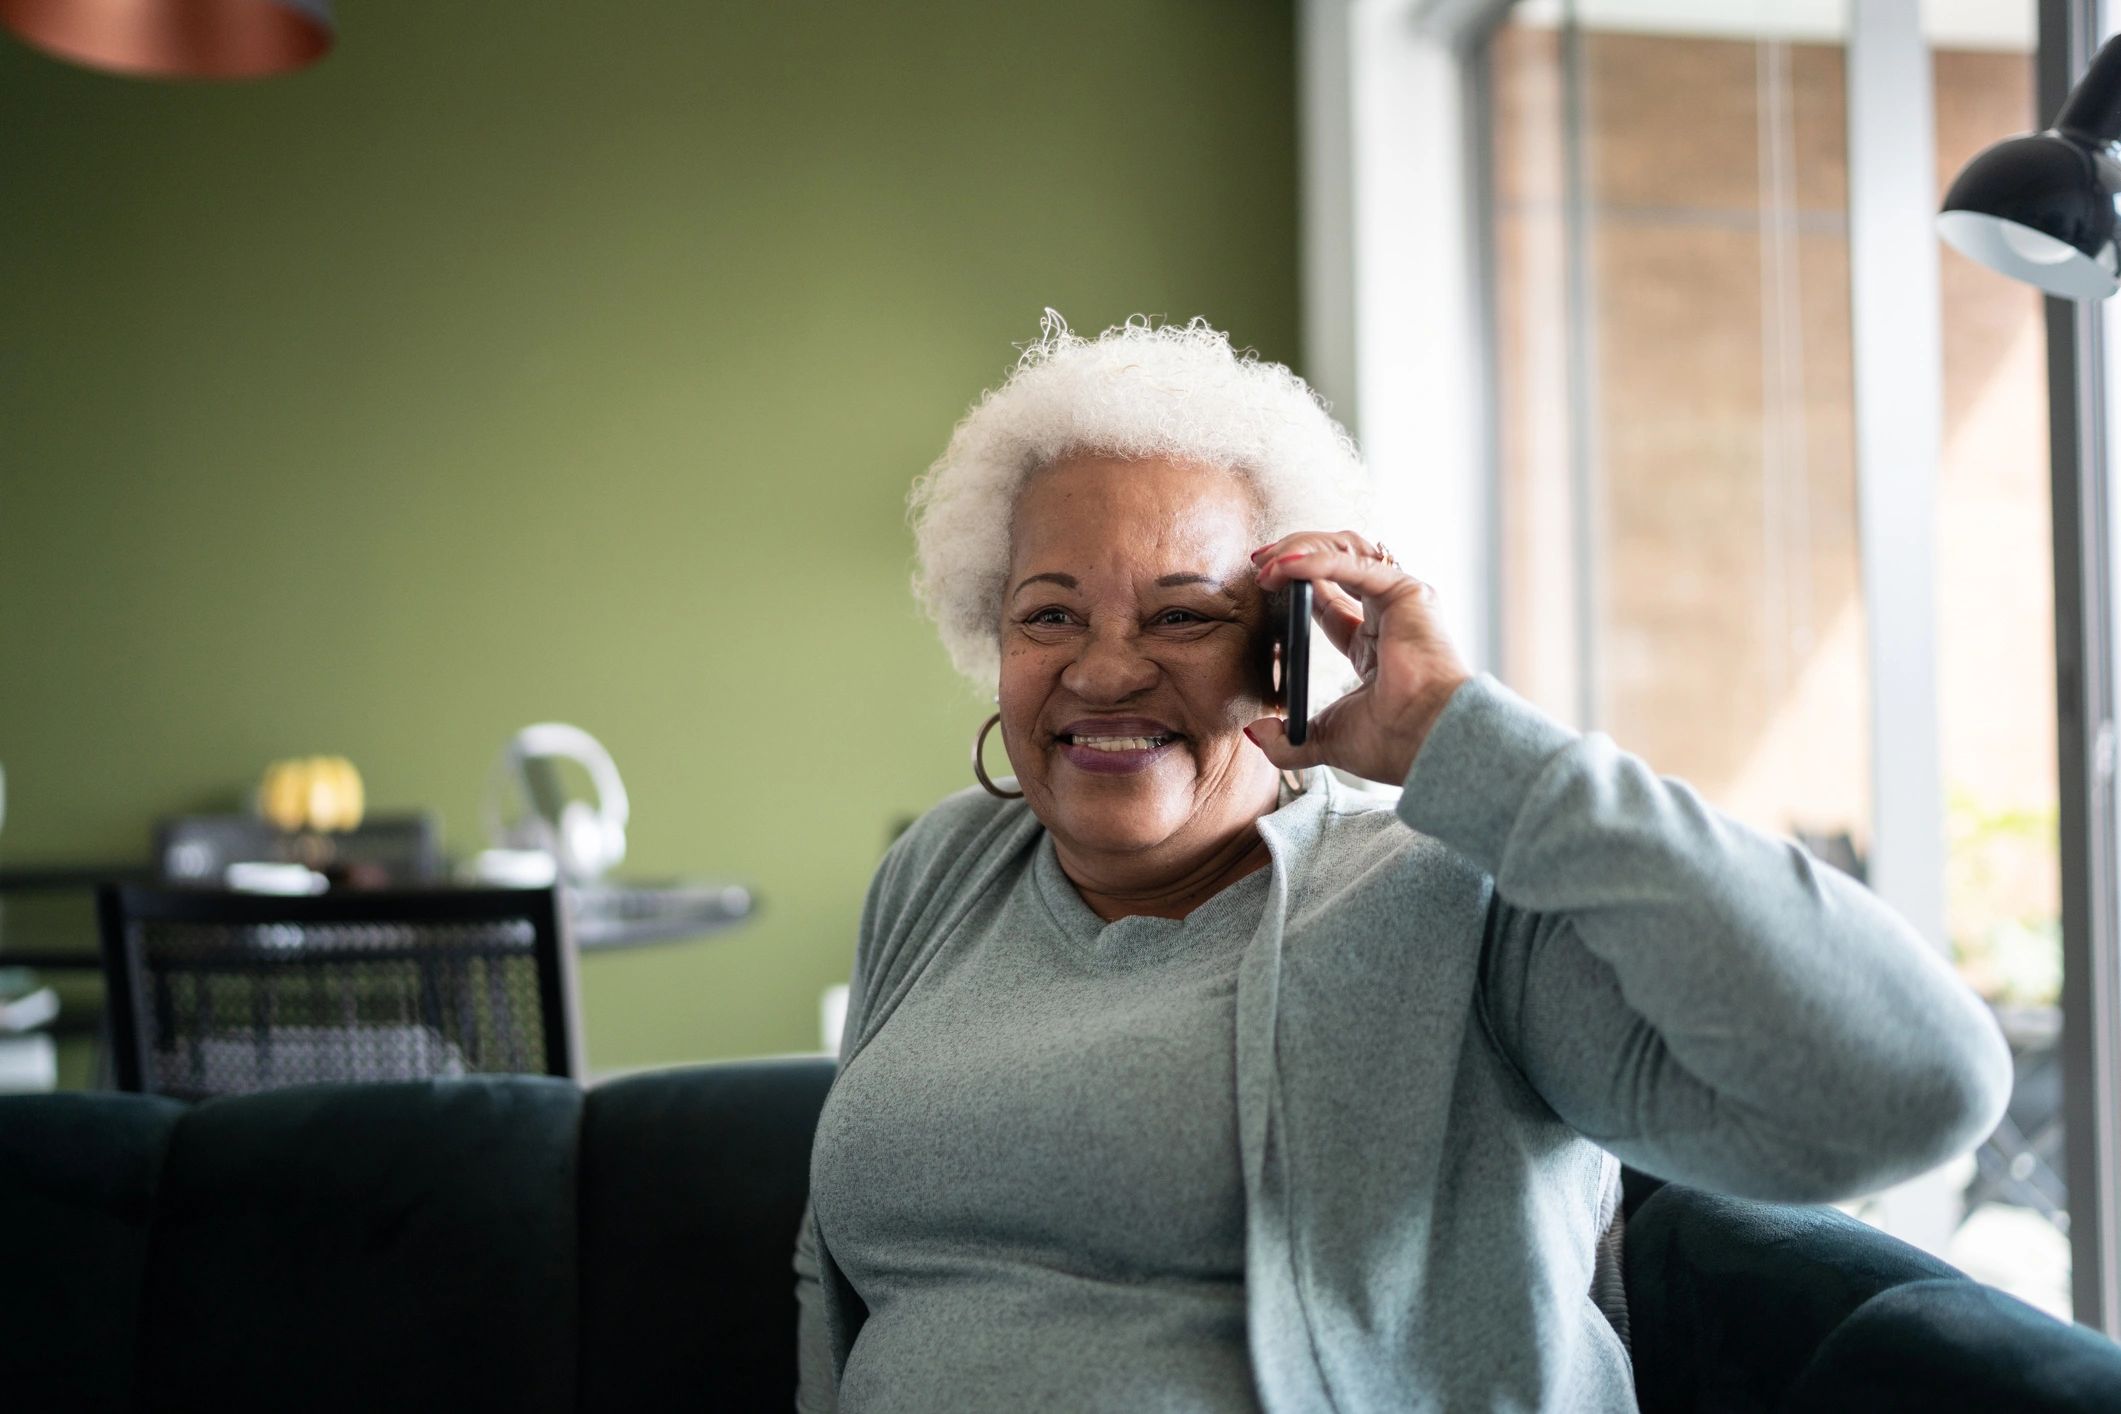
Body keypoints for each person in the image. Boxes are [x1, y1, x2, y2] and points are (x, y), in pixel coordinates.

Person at [793, 312, 2012, 1412]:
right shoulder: (948, 869)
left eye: (1182, 614)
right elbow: (837, 1287)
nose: (1103, 672)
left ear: (1286, 642)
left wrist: (1466, 741)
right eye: (1049, 614)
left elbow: (1918, 1083)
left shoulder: (1452, 897)